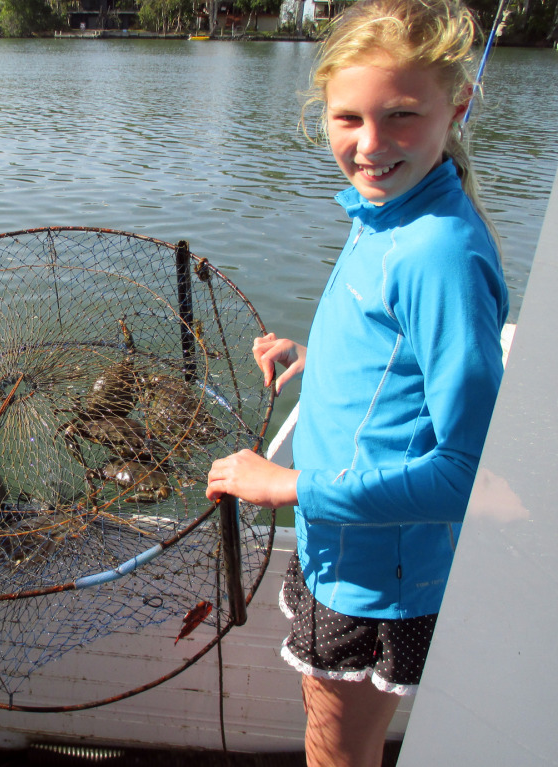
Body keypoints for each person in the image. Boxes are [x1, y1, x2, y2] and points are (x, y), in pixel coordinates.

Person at [204, 1, 509, 764]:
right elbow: (399, 352)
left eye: (402, 115)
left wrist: (287, 486)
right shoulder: (388, 205)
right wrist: (324, 356)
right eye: (349, 118)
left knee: (337, 750)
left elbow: (466, 474)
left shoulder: (435, 251)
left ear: (458, 103)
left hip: (377, 573)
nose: (370, 145)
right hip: (342, 545)